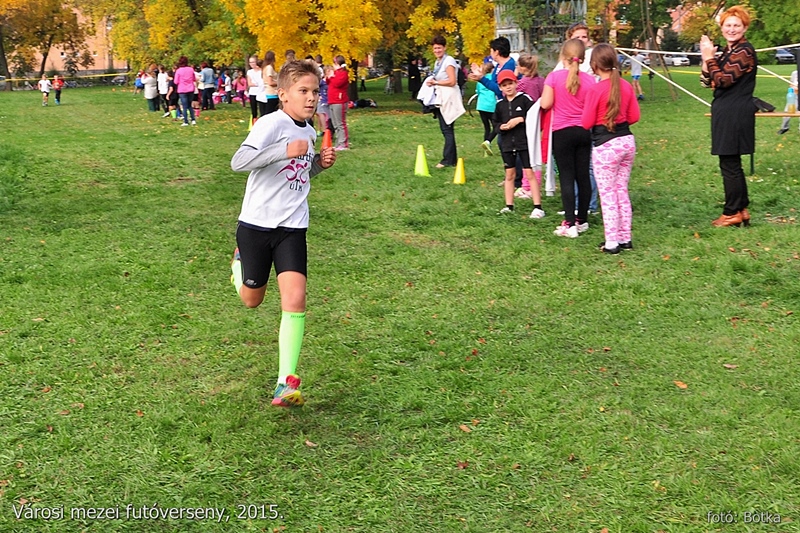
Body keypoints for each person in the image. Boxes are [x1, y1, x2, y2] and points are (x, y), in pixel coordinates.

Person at [229, 59, 337, 408]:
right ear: (283, 94)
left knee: (295, 299)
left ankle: (285, 383)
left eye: (315, 91)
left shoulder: (310, 131)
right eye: (303, 91)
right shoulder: (271, 124)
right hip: (257, 224)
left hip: (292, 226)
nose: (311, 98)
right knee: (252, 299)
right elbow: (239, 162)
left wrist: (318, 165)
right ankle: (238, 267)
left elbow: (297, 174)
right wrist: (283, 149)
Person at [700, 5, 756, 227]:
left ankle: (731, 212)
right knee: (731, 162)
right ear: (722, 27)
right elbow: (706, 82)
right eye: (728, 25)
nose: (732, 29)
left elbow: (724, 80)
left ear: (745, 28)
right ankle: (741, 209)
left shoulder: (744, 51)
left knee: (729, 162)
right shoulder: (727, 52)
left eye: (737, 25)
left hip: (735, 111)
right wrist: (707, 59)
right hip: (725, 110)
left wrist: (709, 59)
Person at [582, 43, 640, 254]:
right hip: (626, 142)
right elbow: (634, 116)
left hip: (605, 145)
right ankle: (625, 238)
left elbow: (586, 122)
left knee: (607, 195)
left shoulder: (595, 90)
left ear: (595, 65)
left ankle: (612, 242)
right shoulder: (626, 86)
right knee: (621, 191)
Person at [540, 38, 596, 238]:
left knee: (566, 177)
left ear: (563, 56)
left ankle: (570, 223)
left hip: (562, 132)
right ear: (583, 58)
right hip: (583, 132)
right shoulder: (590, 80)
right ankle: (582, 220)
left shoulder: (554, 78)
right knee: (583, 176)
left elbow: (545, 104)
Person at [493, 70, 545, 219]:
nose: (508, 87)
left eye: (510, 83)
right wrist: (501, 127)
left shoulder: (525, 99)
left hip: (525, 143)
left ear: (516, 83)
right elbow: (495, 123)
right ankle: (509, 206)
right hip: (508, 144)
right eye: (504, 85)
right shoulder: (500, 105)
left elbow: (534, 116)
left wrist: (520, 119)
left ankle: (538, 207)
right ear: (500, 88)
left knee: (529, 173)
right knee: (509, 174)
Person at [426, 35, 461, 168]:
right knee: (446, 129)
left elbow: (452, 81)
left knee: (447, 129)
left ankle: (448, 160)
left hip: (449, 98)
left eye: (439, 48)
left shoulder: (449, 61)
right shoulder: (438, 62)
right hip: (442, 97)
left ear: (445, 48)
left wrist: (436, 82)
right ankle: (451, 158)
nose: (437, 50)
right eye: (435, 48)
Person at [327, 55, 350, 151]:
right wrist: (329, 76)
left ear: (337, 63)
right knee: (335, 124)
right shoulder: (336, 73)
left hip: (339, 101)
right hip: (332, 100)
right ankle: (338, 143)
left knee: (340, 123)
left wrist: (332, 77)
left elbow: (337, 83)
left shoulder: (343, 73)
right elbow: (328, 81)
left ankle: (343, 143)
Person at [476, 62, 497, 157]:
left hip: (481, 105)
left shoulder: (480, 79)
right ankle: (488, 141)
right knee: (496, 126)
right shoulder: (494, 78)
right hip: (491, 105)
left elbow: (478, 91)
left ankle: (486, 150)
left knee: (487, 127)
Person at [173, 56, 197, 126]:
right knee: (190, 105)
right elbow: (194, 79)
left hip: (182, 89)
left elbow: (175, 81)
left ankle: (186, 121)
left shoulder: (178, 71)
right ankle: (193, 119)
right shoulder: (191, 69)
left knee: (184, 106)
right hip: (190, 88)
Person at [258, 51, 280, 116]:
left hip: (273, 92)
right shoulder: (269, 68)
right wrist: (280, 83)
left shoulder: (266, 67)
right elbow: (270, 82)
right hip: (272, 93)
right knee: (270, 113)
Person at [777, 69, 798, 134]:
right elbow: (791, 84)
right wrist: (794, 88)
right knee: (787, 111)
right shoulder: (795, 73)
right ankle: (784, 127)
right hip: (794, 96)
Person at [246, 55, 262, 123]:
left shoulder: (261, 71)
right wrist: (258, 84)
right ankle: (254, 122)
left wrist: (257, 84)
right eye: (250, 62)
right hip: (253, 93)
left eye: (253, 62)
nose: (252, 64)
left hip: (261, 92)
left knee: (262, 110)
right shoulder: (250, 72)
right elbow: (250, 83)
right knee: (254, 110)